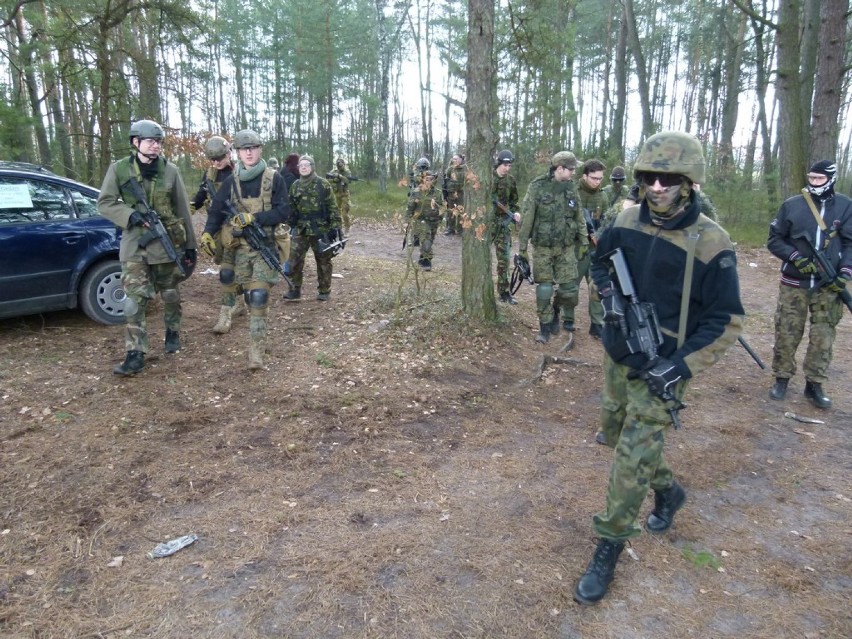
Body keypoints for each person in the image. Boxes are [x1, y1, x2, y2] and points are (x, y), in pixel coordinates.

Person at [575, 131, 744, 606]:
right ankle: (668, 492)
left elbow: (726, 319)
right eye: (648, 176)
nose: (655, 186)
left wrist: (679, 367)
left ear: (688, 182)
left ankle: (609, 543)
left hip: (662, 367)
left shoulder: (712, 242)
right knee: (613, 431)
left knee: (632, 455)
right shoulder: (626, 219)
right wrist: (608, 298)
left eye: (667, 178)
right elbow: (601, 260)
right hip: (618, 352)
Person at [97, 119, 197, 376]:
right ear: (135, 142)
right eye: (150, 141)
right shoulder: (119, 170)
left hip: (166, 246)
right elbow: (105, 202)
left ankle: (172, 331)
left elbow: (183, 210)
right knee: (133, 303)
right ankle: (135, 353)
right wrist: (129, 215)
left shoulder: (171, 171)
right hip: (135, 247)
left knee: (171, 295)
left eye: (159, 142)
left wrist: (190, 248)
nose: (156, 146)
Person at [199, 129, 291, 369]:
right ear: (237, 153)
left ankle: (256, 352)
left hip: (265, 246)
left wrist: (254, 218)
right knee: (243, 292)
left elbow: (284, 212)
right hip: (239, 248)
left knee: (258, 295)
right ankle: (233, 316)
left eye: (253, 148)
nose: (249, 152)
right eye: (243, 149)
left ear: (260, 149)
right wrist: (208, 233)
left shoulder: (274, 178)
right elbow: (217, 210)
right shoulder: (231, 181)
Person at [767, 160, 852, 409]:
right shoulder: (792, 205)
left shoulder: (846, 207)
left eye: (819, 179)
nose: (814, 183)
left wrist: (845, 271)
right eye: (811, 178)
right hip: (794, 282)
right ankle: (781, 378)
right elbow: (774, 240)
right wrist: (795, 258)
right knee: (787, 331)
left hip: (829, 285)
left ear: (831, 179)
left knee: (823, 335)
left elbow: (850, 243)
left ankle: (814, 384)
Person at [518, 151, 587, 342]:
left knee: (569, 290)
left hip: (566, 247)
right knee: (545, 289)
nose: (574, 172)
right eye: (571, 169)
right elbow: (527, 218)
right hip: (543, 248)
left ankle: (556, 310)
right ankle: (545, 327)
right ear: (560, 168)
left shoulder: (571, 188)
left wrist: (584, 241)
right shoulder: (537, 187)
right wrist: (522, 248)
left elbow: (579, 216)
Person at [191, 136, 248, 330]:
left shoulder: (242, 171)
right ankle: (234, 306)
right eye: (212, 160)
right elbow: (201, 195)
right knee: (228, 271)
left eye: (220, 158)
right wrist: (191, 206)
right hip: (219, 229)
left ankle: (232, 309)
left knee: (233, 271)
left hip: (241, 229)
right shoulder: (210, 174)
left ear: (229, 153)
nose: (216, 163)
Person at [286, 155, 342, 301]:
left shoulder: (323, 184)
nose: (303, 167)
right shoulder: (295, 185)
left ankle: (324, 290)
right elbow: (290, 206)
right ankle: (294, 289)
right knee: (294, 259)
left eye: (307, 164)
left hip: (320, 228)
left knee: (323, 260)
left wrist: (335, 227)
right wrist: (289, 221)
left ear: (312, 167)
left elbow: (333, 207)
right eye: (301, 165)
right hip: (301, 228)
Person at [573, 159, 608, 338]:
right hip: (575, 247)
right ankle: (567, 319)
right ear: (585, 176)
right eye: (594, 178)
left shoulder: (602, 196)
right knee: (570, 286)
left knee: (596, 286)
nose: (597, 182)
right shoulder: (573, 192)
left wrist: (601, 236)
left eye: (600, 178)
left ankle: (597, 323)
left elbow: (607, 220)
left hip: (596, 248)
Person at [491, 149, 521, 304]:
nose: (507, 168)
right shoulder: (488, 178)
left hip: (503, 224)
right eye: (505, 165)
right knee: (482, 257)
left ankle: (504, 292)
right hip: (487, 224)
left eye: (509, 165)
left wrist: (516, 213)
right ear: (499, 163)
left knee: (504, 259)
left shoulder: (511, 180)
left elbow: (514, 201)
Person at [406, 170, 444, 270]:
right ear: (423, 180)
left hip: (433, 222)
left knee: (429, 240)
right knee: (426, 240)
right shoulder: (416, 192)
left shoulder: (438, 193)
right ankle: (427, 261)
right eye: (427, 179)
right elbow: (410, 206)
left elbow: (442, 207)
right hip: (420, 221)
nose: (429, 181)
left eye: (431, 179)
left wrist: (440, 218)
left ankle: (422, 258)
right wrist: (408, 219)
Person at [326, 157, 354, 233]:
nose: (340, 167)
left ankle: (347, 228)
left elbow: (348, 181)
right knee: (336, 212)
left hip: (344, 194)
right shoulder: (333, 171)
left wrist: (340, 177)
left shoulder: (347, 172)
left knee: (345, 212)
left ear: (344, 165)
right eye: (339, 166)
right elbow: (327, 180)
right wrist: (334, 180)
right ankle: (339, 229)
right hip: (336, 194)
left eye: (341, 165)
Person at [443, 153, 466, 235]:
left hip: (461, 194)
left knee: (461, 211)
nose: (454, 161)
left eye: (456, 159)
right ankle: (450, 228)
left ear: (461, 159)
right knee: (451, 211)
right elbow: (446, 181)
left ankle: (460, 230)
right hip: (451, 194)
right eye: (453, 159)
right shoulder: (450, 169)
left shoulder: (465, 169)